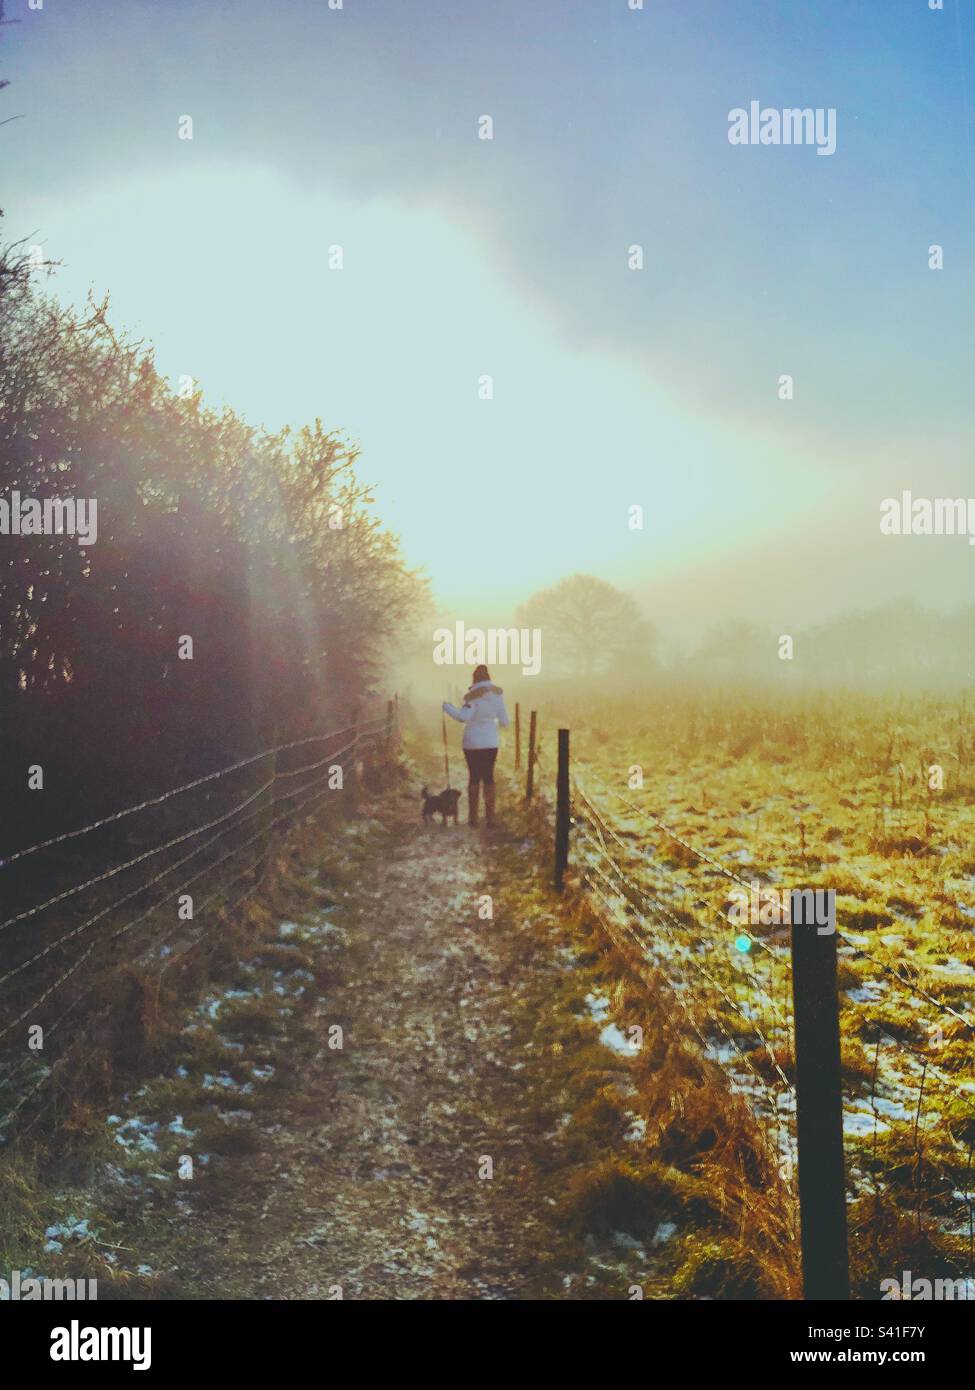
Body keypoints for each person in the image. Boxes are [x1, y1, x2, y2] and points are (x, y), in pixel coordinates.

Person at [442, 665, 510, 827]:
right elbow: (505, 722)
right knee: (489, 777)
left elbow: (463, 717)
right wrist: (492, 725)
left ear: (474, 680)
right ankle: (490, 818)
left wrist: (447, 707)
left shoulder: (472, 697)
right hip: (491, 742)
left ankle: (473, 819)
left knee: (474, 777)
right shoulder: (498, 696)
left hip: (472, 742)